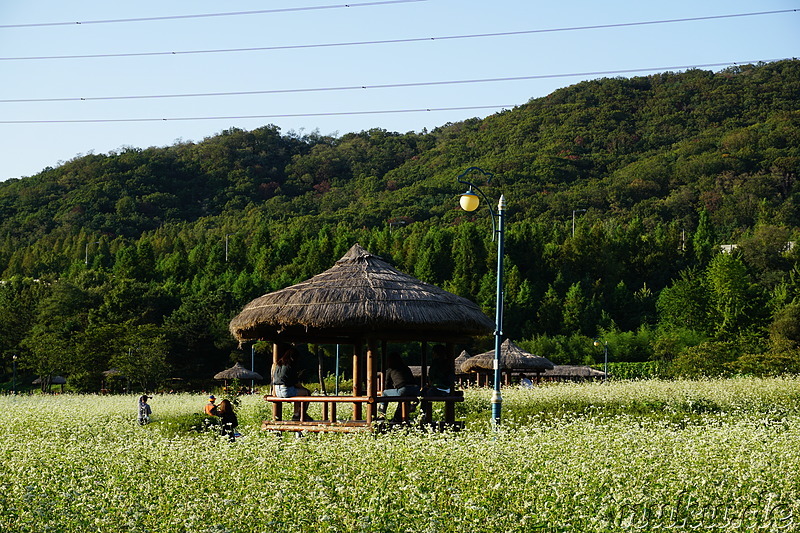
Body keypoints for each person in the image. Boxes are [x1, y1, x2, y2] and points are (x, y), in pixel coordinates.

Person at [272, 348, 312, 421]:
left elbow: (275, 379)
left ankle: (297, 414)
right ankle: (301, 414)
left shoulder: (278, 364)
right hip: (286, 390)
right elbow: (295, 382)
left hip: (277, 391)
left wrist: (273, 392)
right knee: (306, 393)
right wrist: (304, 388)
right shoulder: (290, 365)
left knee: (298, 393)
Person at [379, 352, 420, 423]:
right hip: (415, 389)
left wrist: (391, 390)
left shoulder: (390, 369)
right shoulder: (406, 368)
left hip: (403, 389)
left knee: (385, 393)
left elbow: (387, 384)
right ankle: (407, 410)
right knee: (404, 401)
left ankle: (381, 414)